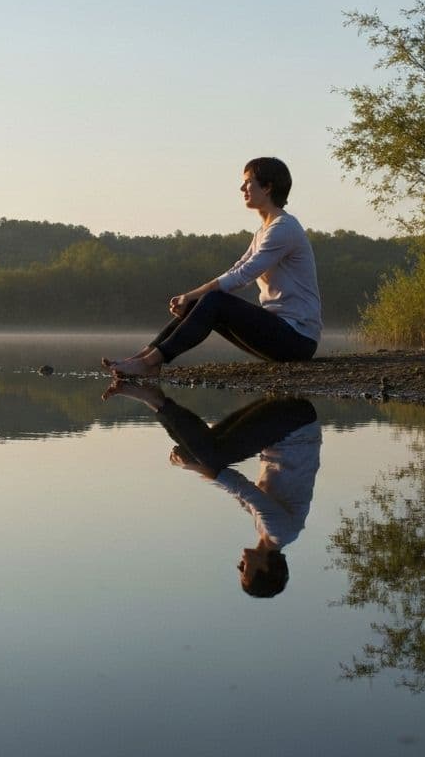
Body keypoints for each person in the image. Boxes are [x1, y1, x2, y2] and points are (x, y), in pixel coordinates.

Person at [105, 157, 321, 377]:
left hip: (297, 339)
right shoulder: (263, 231)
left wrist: (190, 295)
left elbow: (241, 276)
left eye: (248, 182)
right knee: (202, 302)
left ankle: (150, 362)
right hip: (280, 333)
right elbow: (237, 267)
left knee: (214, 300)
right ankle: (144, 357)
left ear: (267, 187)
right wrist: (191, 299)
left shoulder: (284, 228)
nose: (242, 188)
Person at [103, 381, 321, 598]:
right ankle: (155, 399)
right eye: (244, 571)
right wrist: (192, 467)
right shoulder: (281, 532)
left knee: (194, 451)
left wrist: (191, 465)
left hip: (284, 423)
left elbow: (238, 494)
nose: (240, 566)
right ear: (264, 569)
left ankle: (151, 399)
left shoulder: (266, 530)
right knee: (209, 457)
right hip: (295, 422)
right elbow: (242, 488)